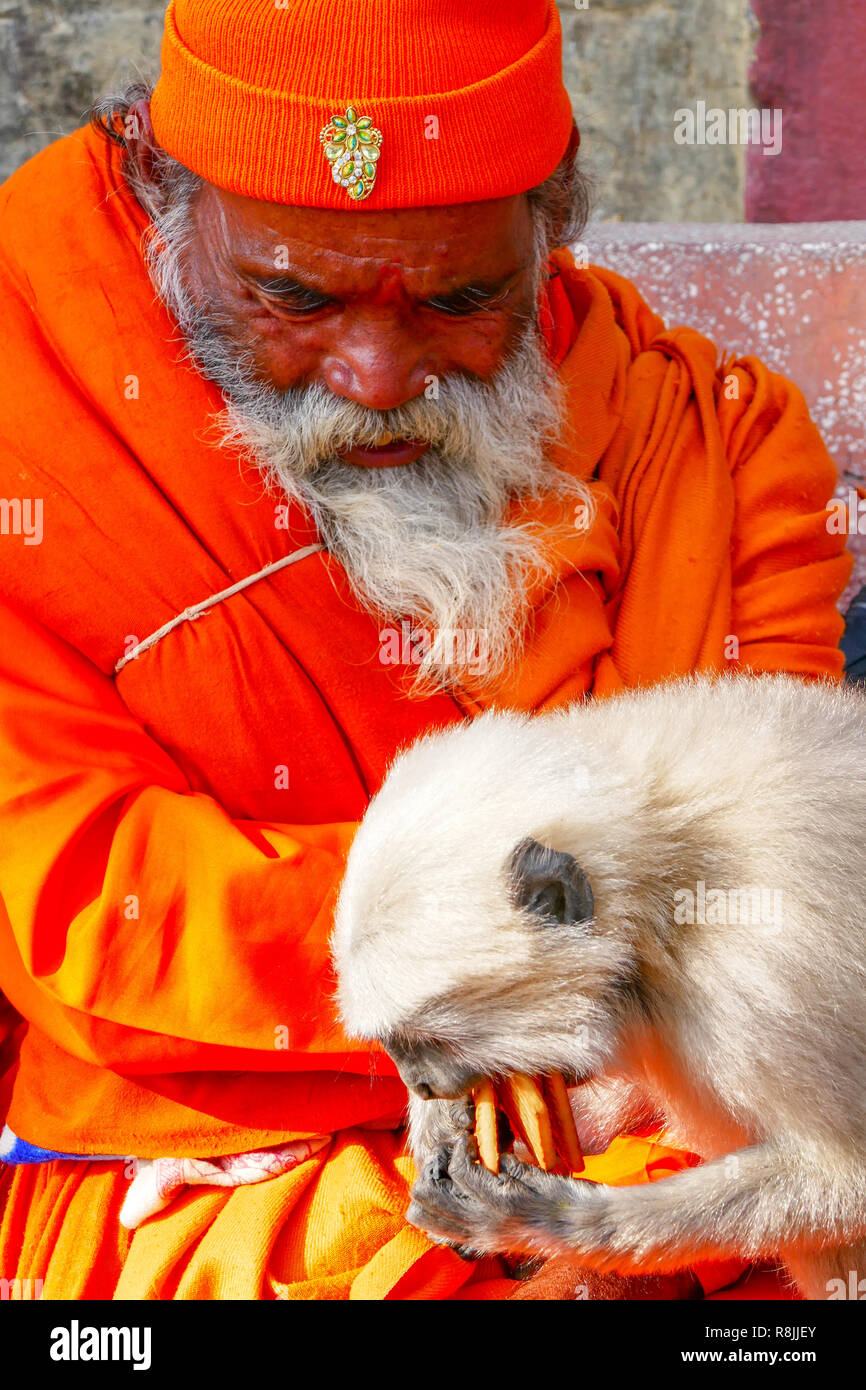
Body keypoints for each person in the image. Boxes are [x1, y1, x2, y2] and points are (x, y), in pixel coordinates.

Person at [0, 0, 853, 1300]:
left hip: (683, 1152)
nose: (377, 372)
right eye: (291, 295)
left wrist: (605, 1186)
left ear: (550, 228)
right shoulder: (35, 413)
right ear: (168, 204)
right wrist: (502, 1017)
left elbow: (771, 924)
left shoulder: (714, 449)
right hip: (220, 1153)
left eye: (461, 297)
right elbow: (78, 902)